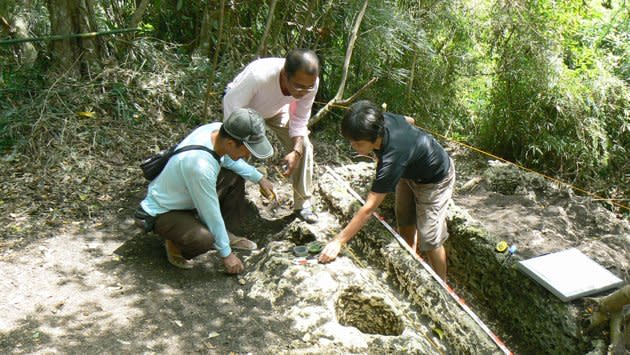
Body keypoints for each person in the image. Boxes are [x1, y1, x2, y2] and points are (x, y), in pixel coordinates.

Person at [318, 100, 456, 281]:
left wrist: (339, 241)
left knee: (430, 238)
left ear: (374, 136)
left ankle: (443, 287)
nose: (353, 147)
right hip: (408, 171)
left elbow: (368, 209)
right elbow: (410, 120)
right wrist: (412, 147)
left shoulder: (391, 160)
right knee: (404, 218)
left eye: (357, 143)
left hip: (436, 179)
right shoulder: (382, 120)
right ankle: (410, 261)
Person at [134, 108, 275, 273]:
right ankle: (175, 244)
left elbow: (228, 161)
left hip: (188, 196)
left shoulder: (217, 131)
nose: (248, 155)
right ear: (231, 143)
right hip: (165, 210)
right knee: (203, 239)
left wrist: (259, 178)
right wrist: (227, 255)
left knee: (234, 175)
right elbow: (210, 213)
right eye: (247, 150)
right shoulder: (200, 167)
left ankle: (225, 235)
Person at [223, 48, 320, 223]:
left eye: (308, 87)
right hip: (244, 111)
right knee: (233, 151)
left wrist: (296, 151)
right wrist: (244, 142)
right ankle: (231, 205)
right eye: (298, 86)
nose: (303, 92)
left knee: (304, 145)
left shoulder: (310, 83)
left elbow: (300, 118)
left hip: (276, 111)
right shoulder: (259, 76)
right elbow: (232, 109)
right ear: (284, 74)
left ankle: (303, 204)